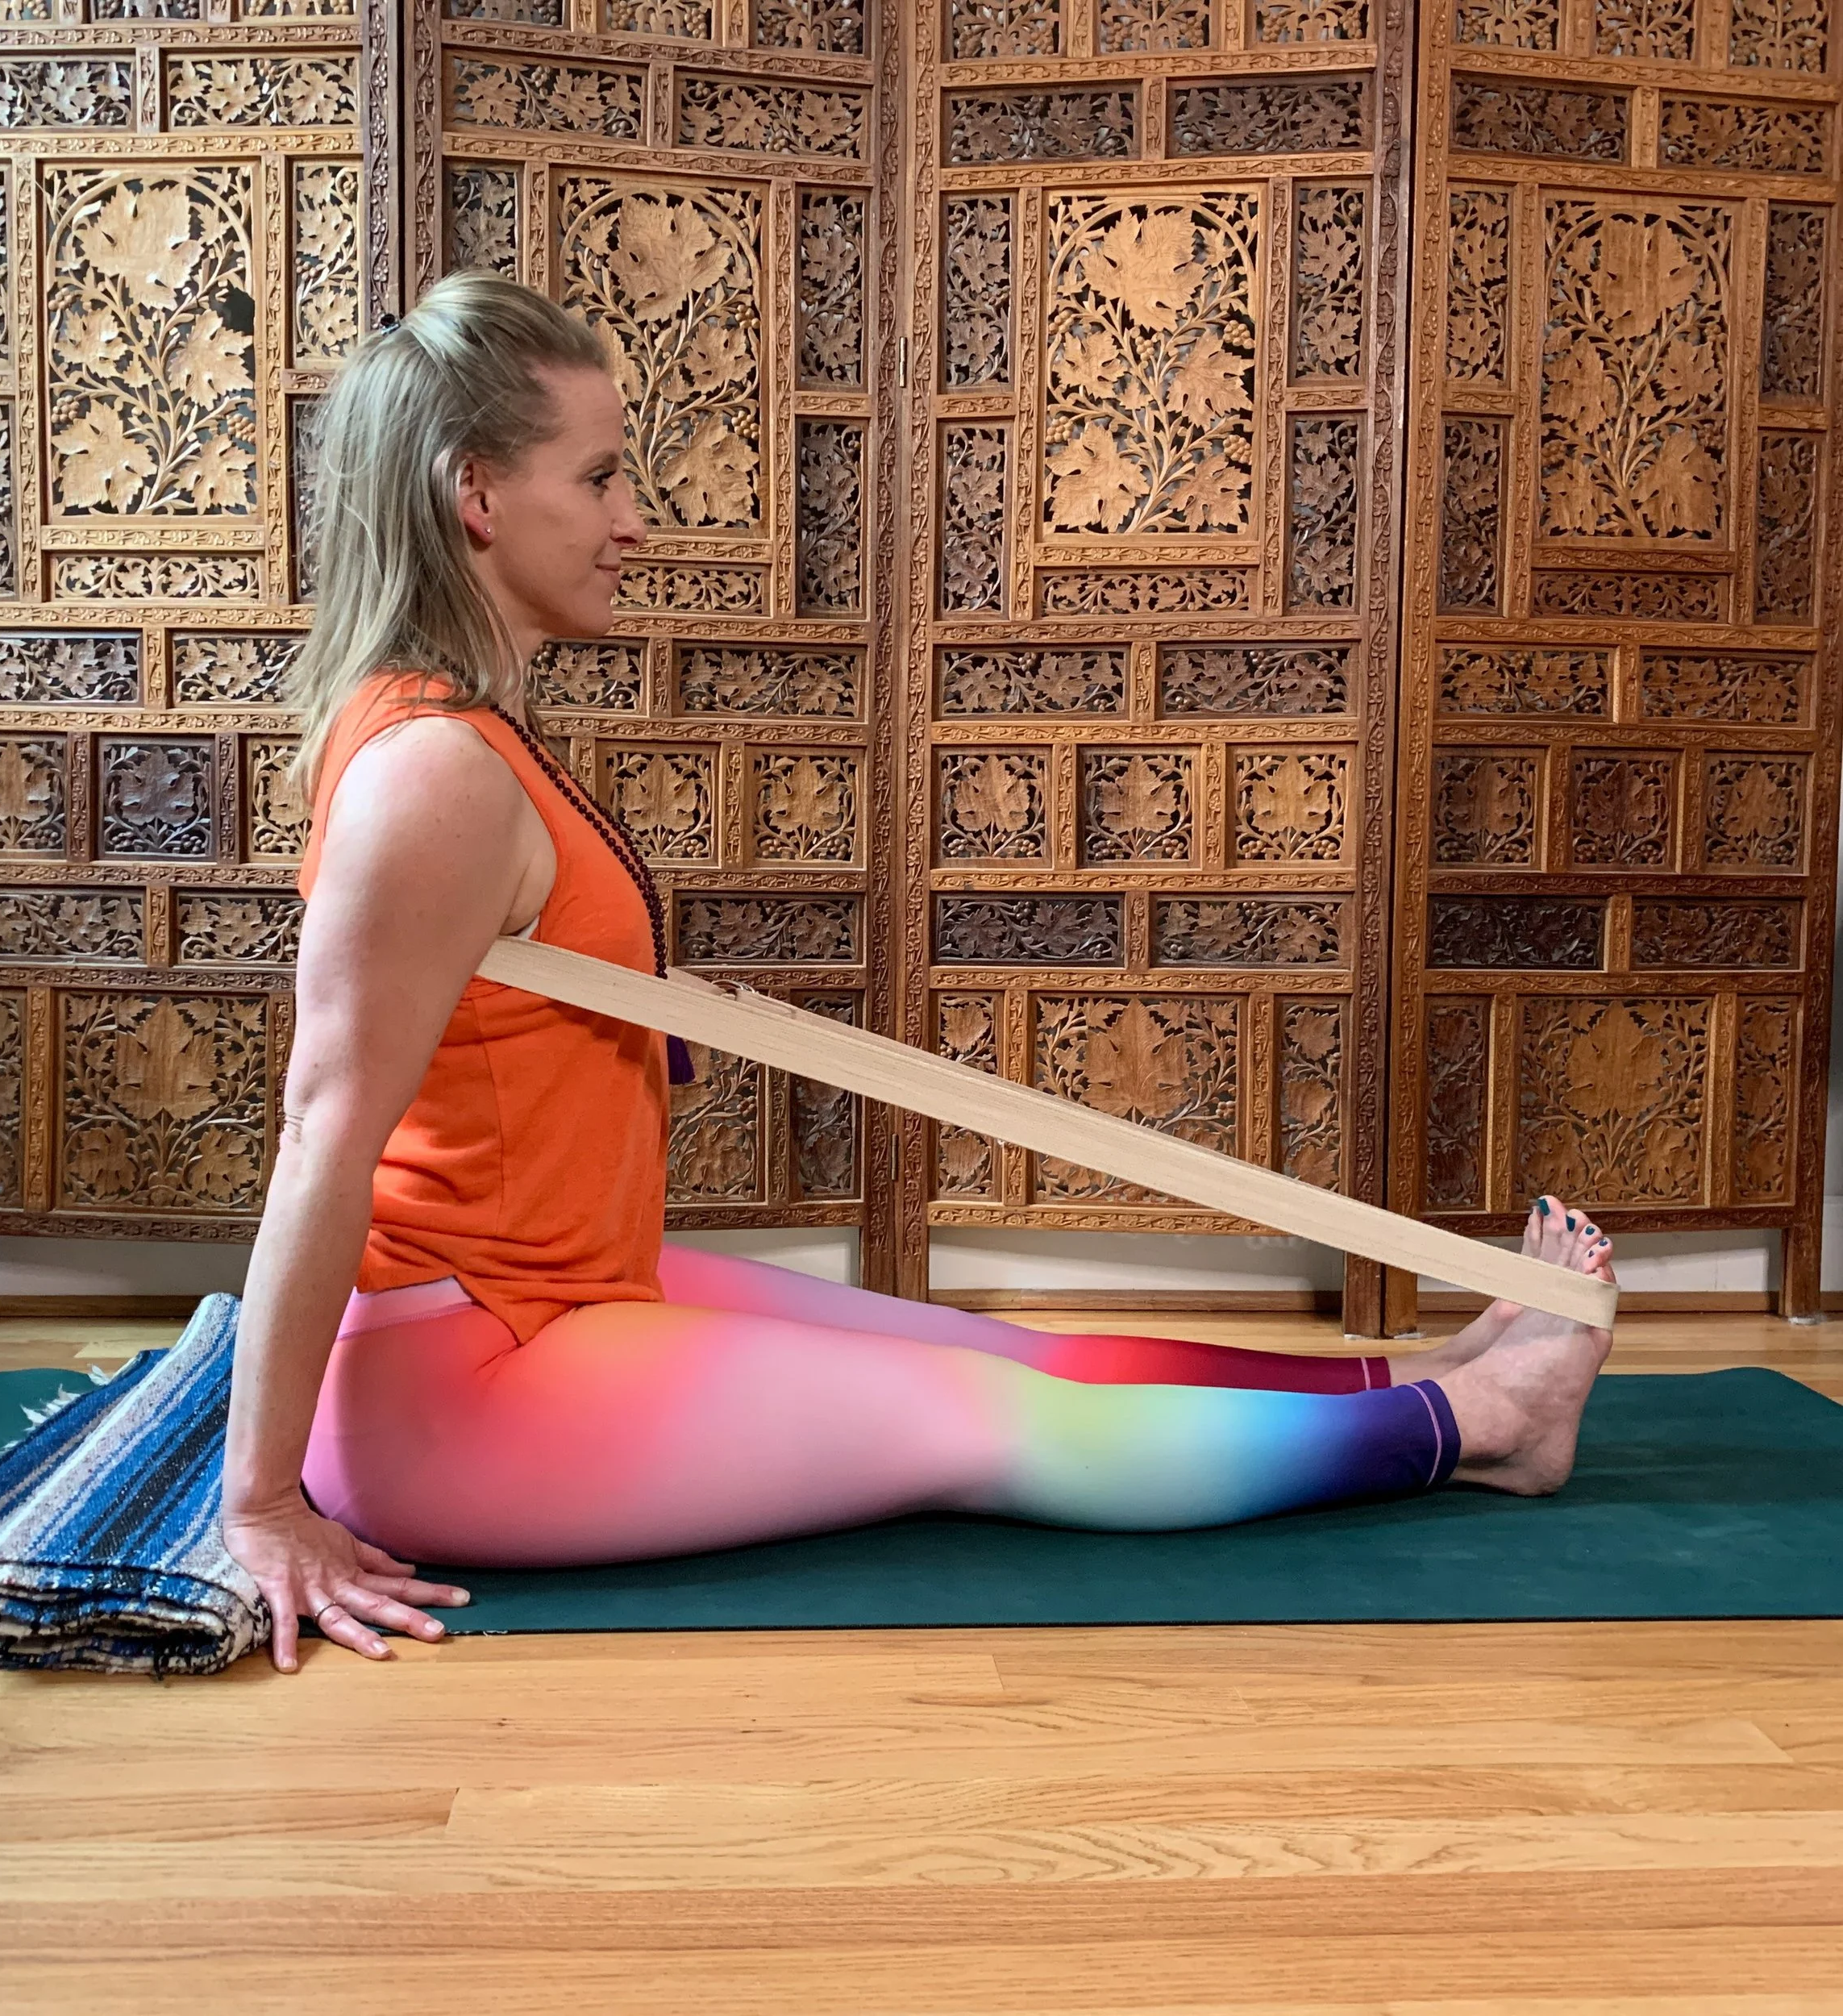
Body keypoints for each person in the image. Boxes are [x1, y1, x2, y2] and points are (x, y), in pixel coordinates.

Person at [219, 273, 1616, 1675]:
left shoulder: (461, 737)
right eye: (598, 478)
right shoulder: (431, 774)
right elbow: (324, 1129)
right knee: (978, 1424)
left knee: (1010, 1355)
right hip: (466, 1380)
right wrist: (263, 1499)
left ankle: (1425, 1377)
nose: (634, 521)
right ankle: (1489, 1432)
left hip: (564, 1293)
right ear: (477, 496)